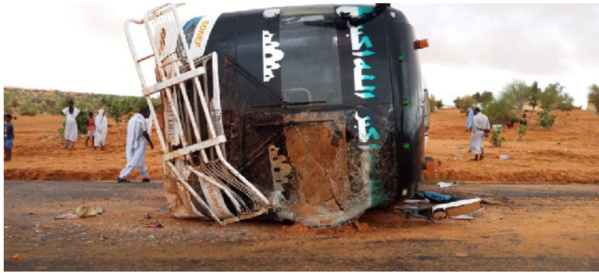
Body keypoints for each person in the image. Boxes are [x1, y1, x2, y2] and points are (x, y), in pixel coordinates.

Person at [117, 106, 155, 183]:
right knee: (135, 160)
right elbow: (145, 133)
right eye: (147, 112)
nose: (147, 114)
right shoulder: (142, 120)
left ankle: (145, 177)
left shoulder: (132, 119)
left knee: (140, 160)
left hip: (130, 143)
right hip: (140, 142)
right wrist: (150, 143)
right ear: (144, 112)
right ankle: (122, 176)